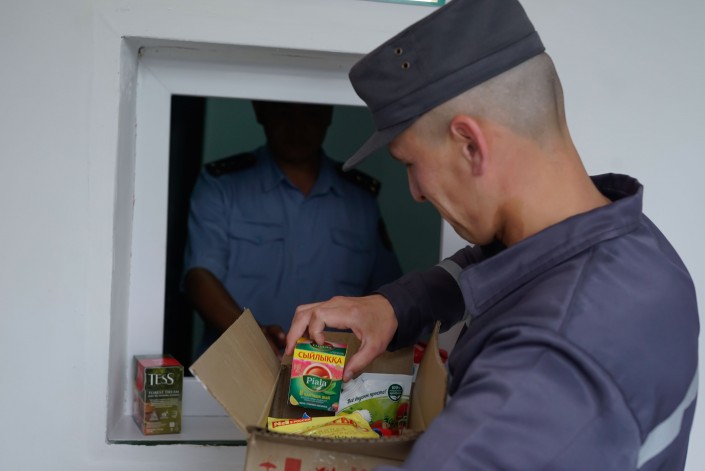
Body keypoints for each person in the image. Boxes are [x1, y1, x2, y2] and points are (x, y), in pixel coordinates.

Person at [285, 1, 699, 470]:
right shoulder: (633, 244)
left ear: (470, 145)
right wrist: (393, 307)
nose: (415, 192)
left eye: (410, 164)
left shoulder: (545, 367)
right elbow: (492, 268)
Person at [183, 100, 402, 357]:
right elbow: (199, 277)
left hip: (330, 372)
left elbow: (389, 297)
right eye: (284, 113)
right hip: (237, 367)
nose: (297, 128)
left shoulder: (359, 200)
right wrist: (251, 337)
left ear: (328, 114)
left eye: (311, 114)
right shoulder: (222, 186)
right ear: (260, 111)